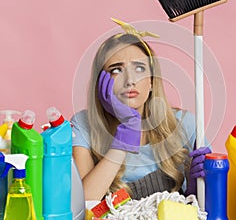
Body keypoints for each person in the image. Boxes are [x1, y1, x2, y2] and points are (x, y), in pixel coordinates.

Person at [71, 18, 211, 201]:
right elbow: (84, 203)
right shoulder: (83, 125)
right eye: (116, 70)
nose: (130, 80)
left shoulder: (185, 124)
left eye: (139, 68)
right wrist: (124, 138)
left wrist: (195, 190)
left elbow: (205, 211)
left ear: (152, 81)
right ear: (100, 83)